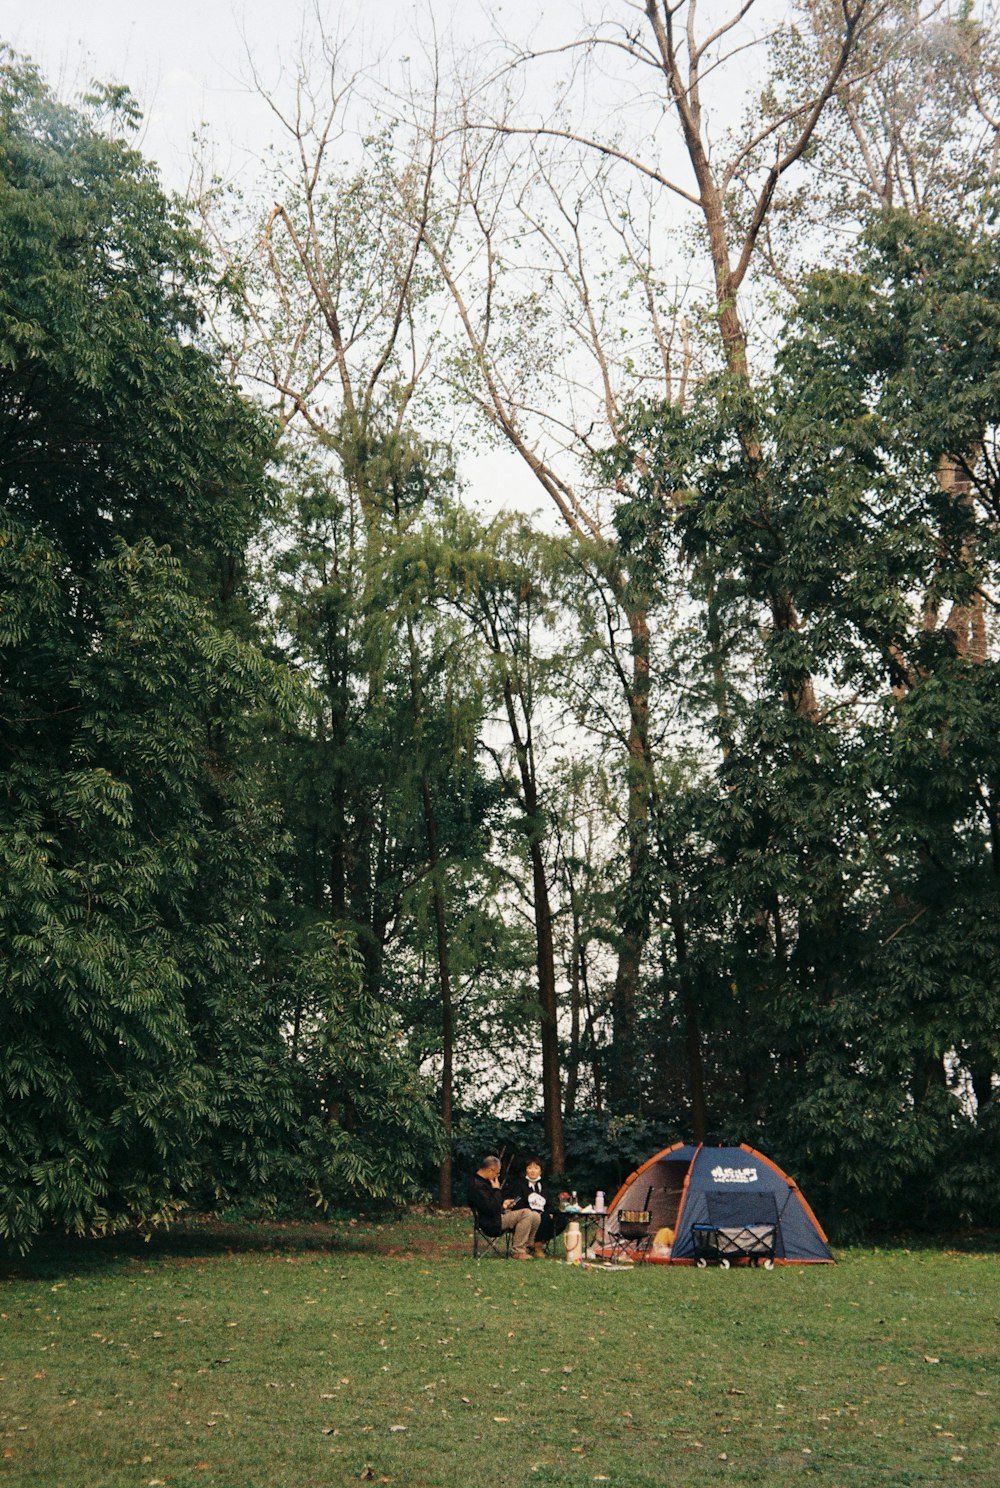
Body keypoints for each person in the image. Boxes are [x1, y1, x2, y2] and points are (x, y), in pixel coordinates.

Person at [467, 1155, 541, 1259]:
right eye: (497, 1173)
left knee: (535, 1215)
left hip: (498, 1215)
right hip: (491, 1222)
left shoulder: (485, 1181)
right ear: (489, 1170)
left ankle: (528, 1246)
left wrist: (504, 1204)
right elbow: (490, 1208)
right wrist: (497, 1190)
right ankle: (518, 1251)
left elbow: (492, 1203)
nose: (497, 1176)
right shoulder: (476, 1186)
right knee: (526, 1213)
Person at [507, 1158, 569, 1257]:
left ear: (540, 1171)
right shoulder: (519, 1185)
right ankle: (537, 1246)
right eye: (530, 1168)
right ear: (526, 1170)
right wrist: (535, 1211)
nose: (532, 1171)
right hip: (526, 1216)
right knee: (540, 1217)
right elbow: (517, 1203)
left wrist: (551, 1213)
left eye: (536, 1168)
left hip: (543, 1215)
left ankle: (539, 1242)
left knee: (561, 1219)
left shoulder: (543, 1186)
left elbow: (549, 1204)